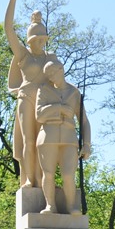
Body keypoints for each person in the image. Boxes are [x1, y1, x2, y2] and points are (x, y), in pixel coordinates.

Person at [4, 0, 59, 189]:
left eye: (43, 39)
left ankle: (46, 180)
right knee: (28, 140)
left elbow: (60, 80)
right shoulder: (23, 55)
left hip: (45, 102)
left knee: (45, 142)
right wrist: (13, 0)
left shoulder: (50, 57)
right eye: (37, 39)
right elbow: (8, 29)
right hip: (26, 98)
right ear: (30, 40)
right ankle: (29, 179)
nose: (40, 42)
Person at [34, 60, 91, 214]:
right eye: (48, 75)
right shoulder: (43, 90)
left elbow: (84, 121)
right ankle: (50, 205)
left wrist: (87, 144)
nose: (51, 77)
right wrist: (59, 108)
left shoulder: (74, 92)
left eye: (53, 73)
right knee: (48, 173)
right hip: (48, 137)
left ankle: (71, 206)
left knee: (68, 175)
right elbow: (39, 115)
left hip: (69, 138)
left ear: (61, 70)